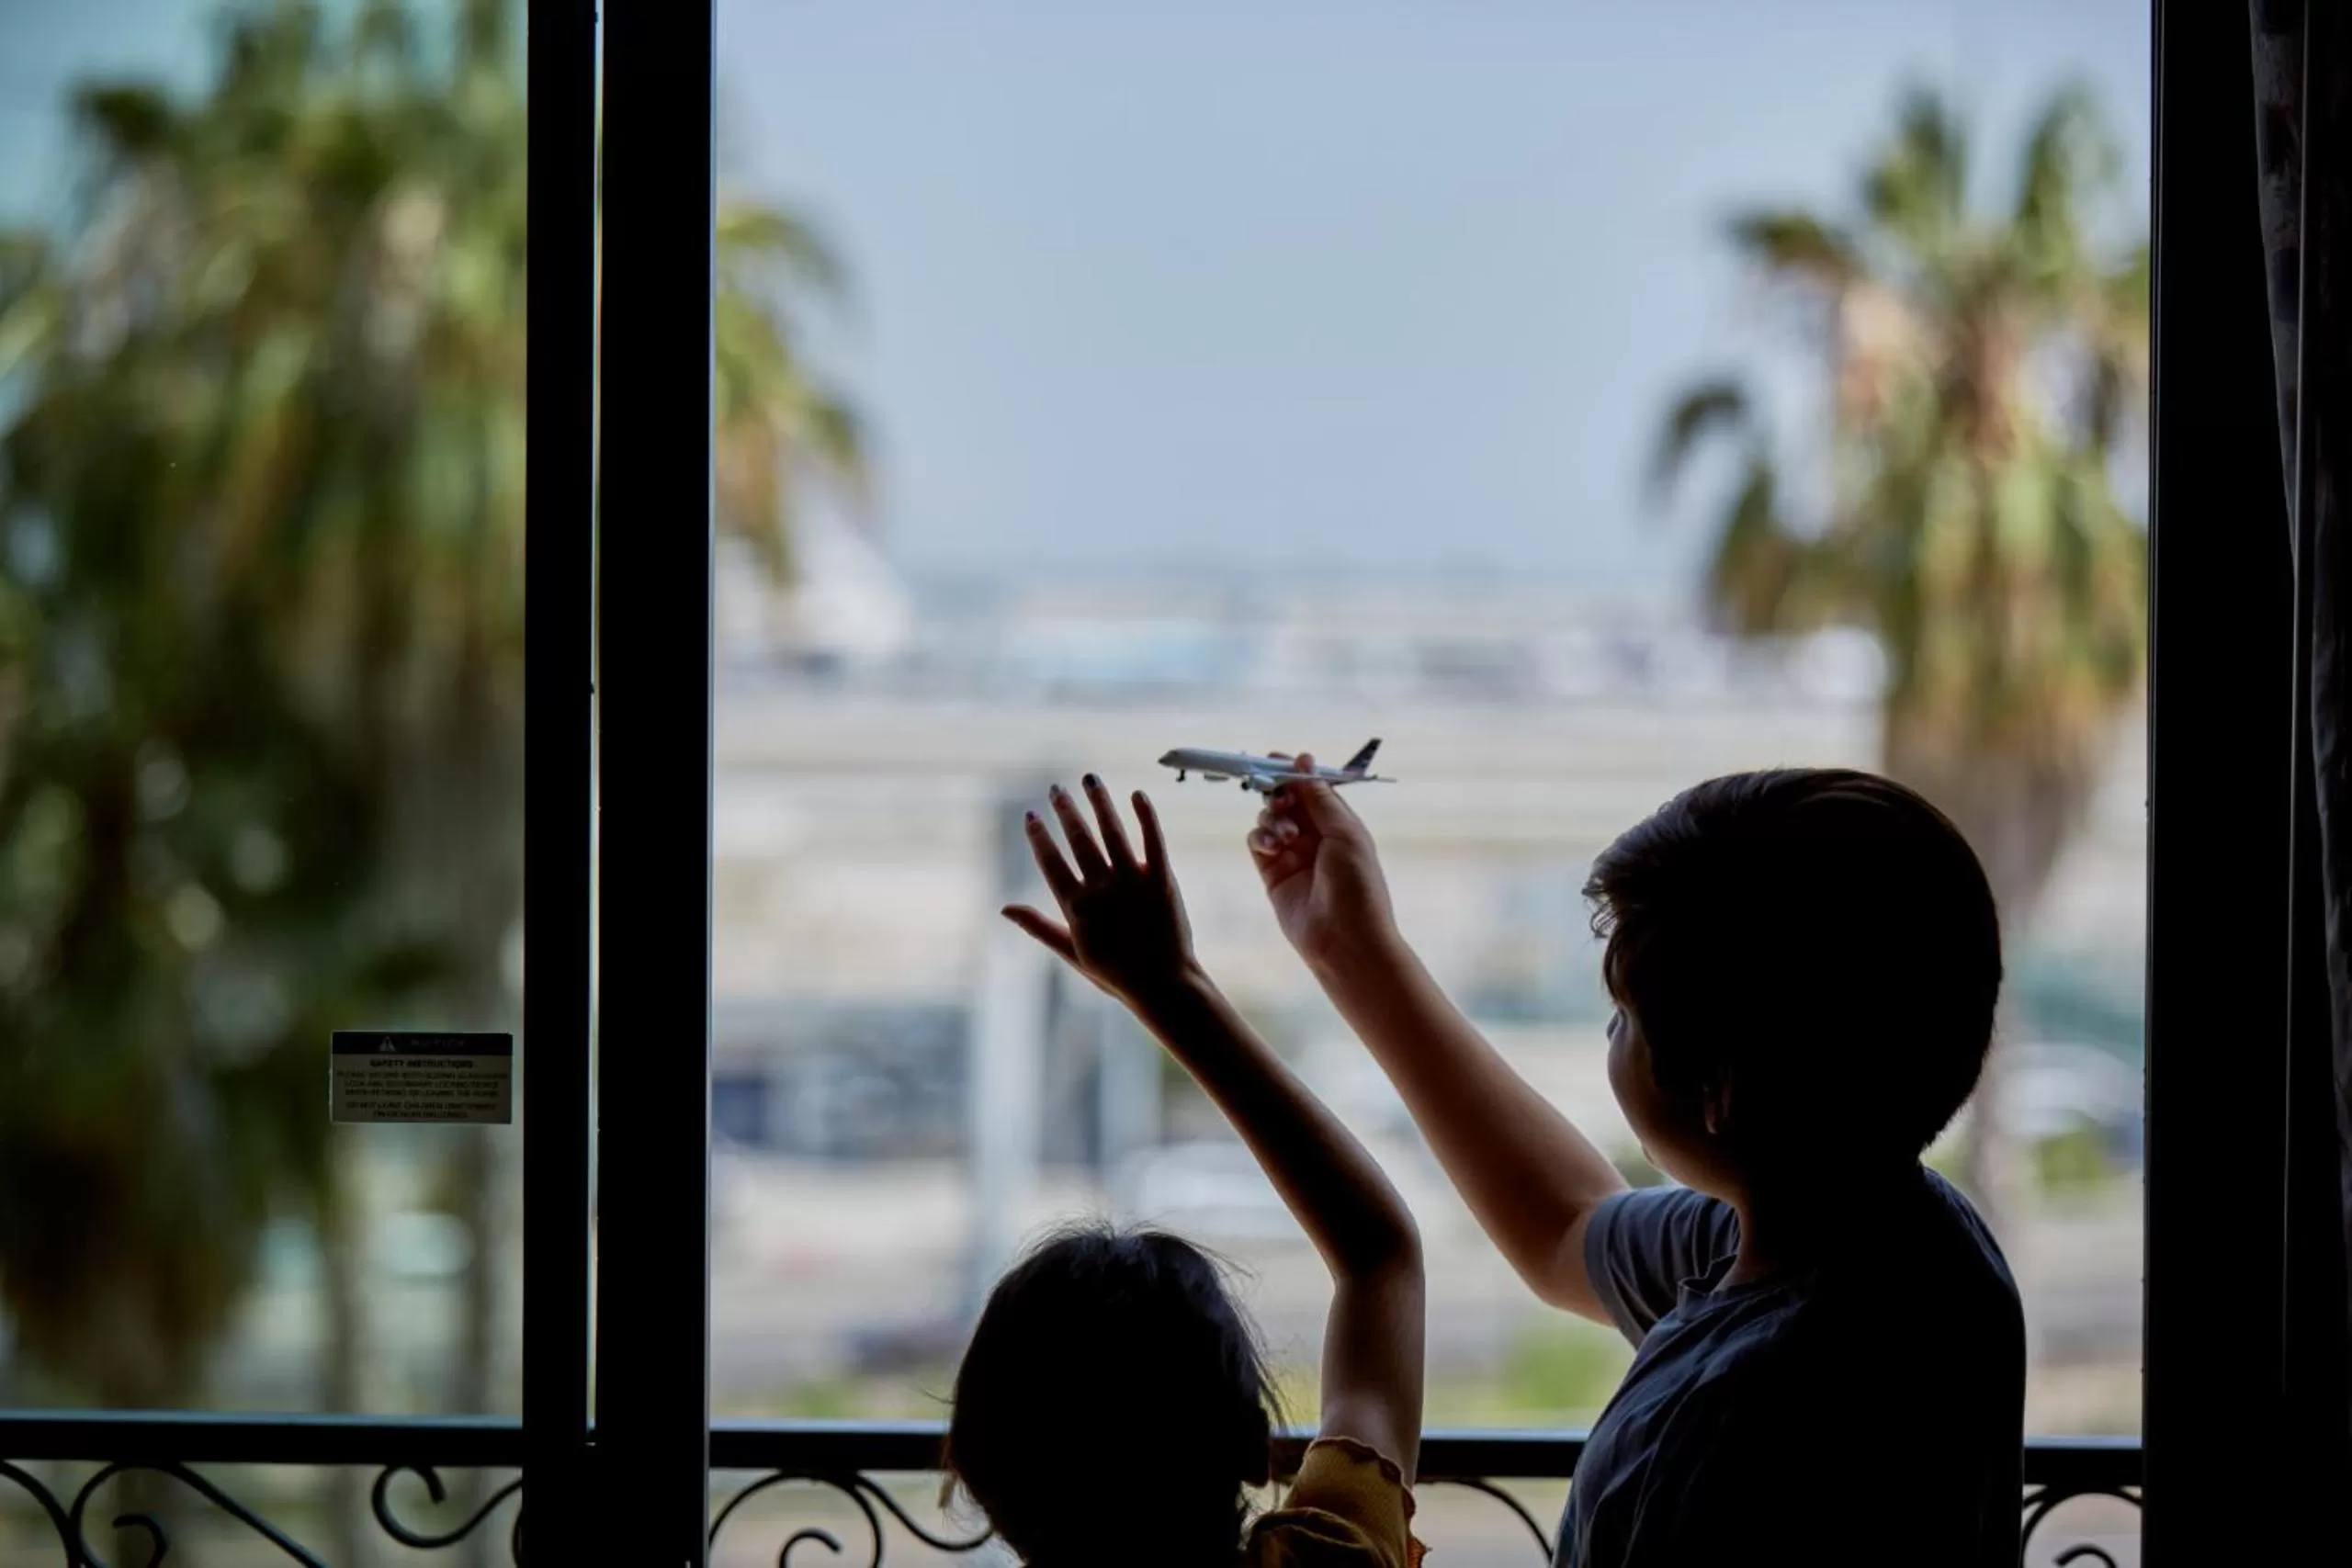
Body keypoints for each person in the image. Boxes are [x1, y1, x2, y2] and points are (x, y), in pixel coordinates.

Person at [1249, 761, 2025, 1567]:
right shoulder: (1916, 1244)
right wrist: (1353, 947)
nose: (1609, 1037)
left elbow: (1555, 1230)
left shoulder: (1724, 1419)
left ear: (1718, 1089)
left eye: (1624, 1017)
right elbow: (1563, 1225)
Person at [954, 774, 1429, 1567]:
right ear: (1254, 1445)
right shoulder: (1325, 1558)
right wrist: (1171, 988)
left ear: (981, 1469)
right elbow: (1380, 1255)